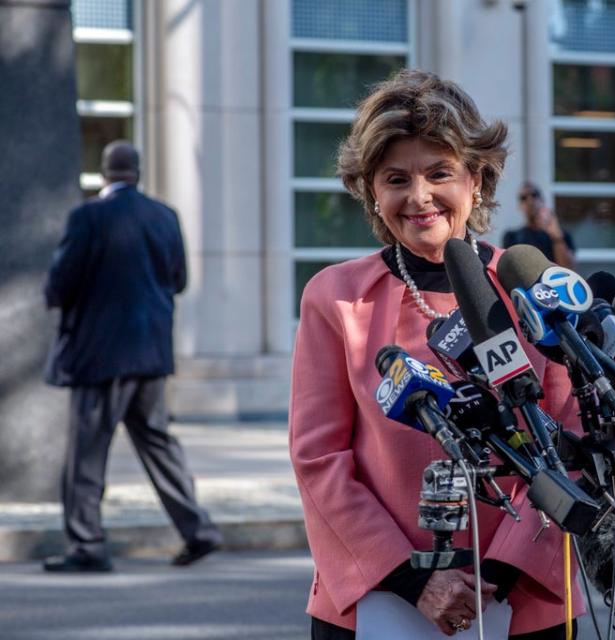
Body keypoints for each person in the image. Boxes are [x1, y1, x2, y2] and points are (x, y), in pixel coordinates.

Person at [290, 70, 584, 639]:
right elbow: (319, 461)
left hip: (521, 601)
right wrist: (413, 581)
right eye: (396, 178)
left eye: (439, 173)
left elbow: (570, 446)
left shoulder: (536, 288)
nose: (419, 196)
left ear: (476, 179)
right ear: (371, 191)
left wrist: (497, 572)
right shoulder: (334, 296)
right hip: (377, 599)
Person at [42, 140, 222, 572]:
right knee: (159, 444)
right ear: (137, 173)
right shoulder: (164, 216)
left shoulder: (87, 217)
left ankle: (86, 546)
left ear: (105, 173)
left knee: (86, 454)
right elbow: (177, 281)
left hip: (98, 356)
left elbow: (59, 285)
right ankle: (198, 532)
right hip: (150, 355)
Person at [502, 182, 576, 269]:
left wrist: (556, 237)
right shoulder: (512, 237)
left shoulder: (561, 236)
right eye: (524, 198)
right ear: (520, 206)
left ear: (542, 200)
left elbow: (569, 269)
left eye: (534, 195)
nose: (530, 201)